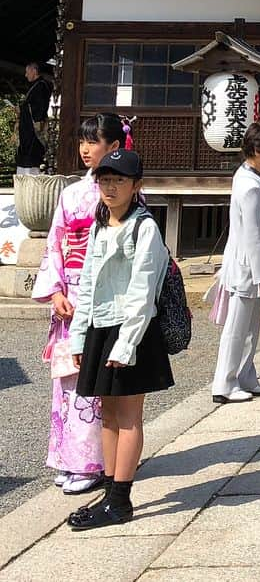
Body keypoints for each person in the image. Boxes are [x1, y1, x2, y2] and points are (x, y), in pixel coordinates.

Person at [67, 149, 173, 529]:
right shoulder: (100, 224)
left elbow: (143, 292)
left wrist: (127, 344)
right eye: (105, 179)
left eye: (119, 180)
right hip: (100, 325)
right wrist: (79, 338)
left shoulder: (144, 227)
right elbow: (88, 285)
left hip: (133, 330)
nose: (110, 187)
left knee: (128, 417)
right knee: (107, 413)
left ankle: (121, 500)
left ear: (136, 186)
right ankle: (109, 492)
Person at [32, 114, 126, 495]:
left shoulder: (124, 192)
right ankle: (67, 457)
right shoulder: (72, 193)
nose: (86, 149)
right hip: (69, 294)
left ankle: (92, 462)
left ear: (115, 147)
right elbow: (56, 242)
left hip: (102, 295)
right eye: (82, 141)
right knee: (67, 379)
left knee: (94, 379)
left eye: (94, 141)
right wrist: (55, 291)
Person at [211, 122, 260, 405]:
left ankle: (245, 375)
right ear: (258, 150)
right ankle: (224, 383)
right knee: (237, 328)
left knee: (251, 327)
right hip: (247, 267)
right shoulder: (250, 186)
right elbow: (252, 235)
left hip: (250, 264)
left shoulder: (250, 176)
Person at [15, 61, 52, 174]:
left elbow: (39, 107)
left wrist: (23, 109)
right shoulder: (35, 86)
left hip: (33, 129)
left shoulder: (42, 85)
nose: (26, 75)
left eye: (27, 72)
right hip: (26, 129)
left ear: (34, 71)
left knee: (32, 153)